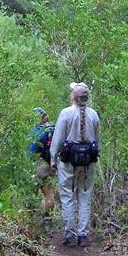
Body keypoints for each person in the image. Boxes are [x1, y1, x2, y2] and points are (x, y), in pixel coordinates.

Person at [50, 82, 101, 247]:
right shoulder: (94, 115)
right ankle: (83, 235)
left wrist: (52, 159)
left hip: (68, 162)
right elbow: (97, 143)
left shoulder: (65, 113)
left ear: (73, 96)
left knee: (67, 196)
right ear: (86, 97)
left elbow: (57, 139)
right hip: (88, 163)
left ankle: (70, 234)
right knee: (85, 197)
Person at [29, 107, 56, 212]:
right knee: (48, 191)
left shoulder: (37, 131)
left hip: (40, 163)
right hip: (52, 163)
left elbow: (32, 151)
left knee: (32, 191)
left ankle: (33, 215)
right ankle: (48, 216)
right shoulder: (54, 128)